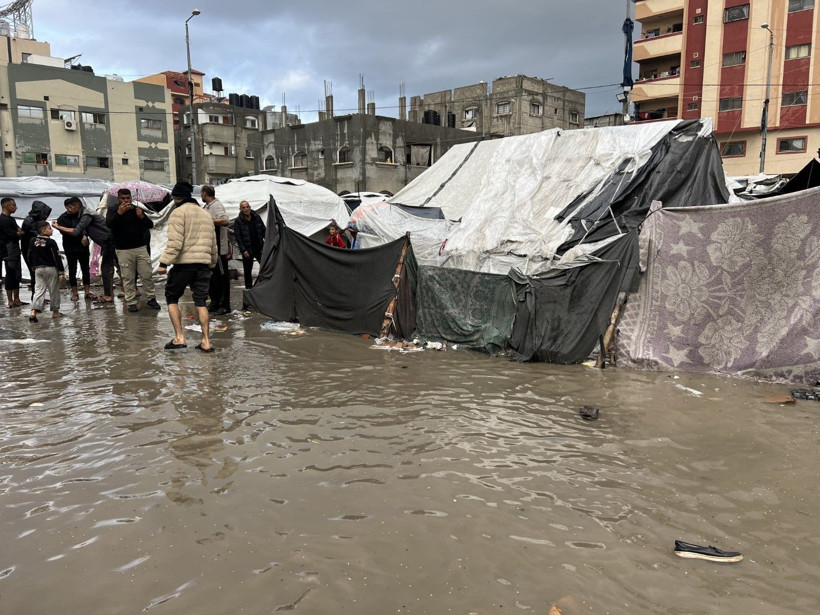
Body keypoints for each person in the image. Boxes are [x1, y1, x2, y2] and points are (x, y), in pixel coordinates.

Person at [158, 181, 218, 353]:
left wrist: (163, 263)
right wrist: (212, 264)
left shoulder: (178, 213)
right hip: (203, 265)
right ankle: (206, 342)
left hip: (183, 265)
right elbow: (213, 244)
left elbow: (175, 243)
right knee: (201, 301)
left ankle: (179, 338)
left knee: (172, 298)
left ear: (176, 198)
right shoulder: (205, 214)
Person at [105, 188, 161, 312]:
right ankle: (130, 301)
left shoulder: (136, 209)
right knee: (128, 277)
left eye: (128, 198)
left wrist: (142, 216)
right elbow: (109, 224)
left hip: (140, 247)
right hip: (123, 249)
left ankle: (151, 298)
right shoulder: (113, 210)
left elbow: (150, 225)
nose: (126, 201)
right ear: (118, 198)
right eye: (123, 198)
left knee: (147, 274)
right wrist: (119, 213)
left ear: (131, 198)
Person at [52, 197, 92, 301]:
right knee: (72, 269)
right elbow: (66, 231)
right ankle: (75, 293)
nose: (69, 209)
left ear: (77, 206)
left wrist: (84, 234)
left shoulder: (83, 215)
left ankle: (87, 292)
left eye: (71, 207)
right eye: (67, 207)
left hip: (82, 246)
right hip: (70, 246)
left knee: (85, 269)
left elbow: (87, 227)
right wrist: (77, 232)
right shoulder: (62, 218)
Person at [201, 184, 231, 315]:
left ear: (204, 193)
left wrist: (209, 220)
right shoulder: (206, 207)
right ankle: (215, 302)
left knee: (222, 277)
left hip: (219, 250)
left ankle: (225, 305)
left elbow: (225, 221)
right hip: (210, 249)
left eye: (202, 193)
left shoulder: (217, 206)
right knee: (212, 278)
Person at [27, 220, 64, 322]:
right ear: (43, 231)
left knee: (39, 290)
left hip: (38, 269)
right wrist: (61, 271)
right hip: (50, 269)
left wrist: (32, 266)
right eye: (49, 228)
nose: (51, 230)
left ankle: (33, 311)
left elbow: (29, 255)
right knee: (54, 290)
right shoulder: (51, 242)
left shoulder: (32, 240)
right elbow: (56, 257)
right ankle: (55, 312)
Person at [21, 200, 52, 295]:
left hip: (36, 250)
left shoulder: (37, 221)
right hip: (30, 251)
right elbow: (37, 234)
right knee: (34, 273)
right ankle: (36, 296)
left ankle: (38, 295)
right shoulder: (29, 221)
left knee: (39, 274)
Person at [0, 197, 26, 308]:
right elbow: (15, 235)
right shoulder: (2, 220)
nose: (16, 207)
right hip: (8, 251)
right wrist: (18, 233)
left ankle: (17, 299)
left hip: (15, 250)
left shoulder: (11, 219)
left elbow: (20, 231)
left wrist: (19, 233)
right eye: (14, 205)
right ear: (6, 206)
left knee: (17, 274)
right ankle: (10, 300)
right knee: (10, 274)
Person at [233, 200, 265, 290]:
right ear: (240, 209)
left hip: (259, 247)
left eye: (247, 207)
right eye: (243, 207)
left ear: (250, 207)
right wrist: (243, 250)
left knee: (265, 267)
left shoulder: (256, 217)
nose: (246, 209)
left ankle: (263, 286)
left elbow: (263, 230)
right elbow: (238, 237)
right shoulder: (238, 221)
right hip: (247, 249)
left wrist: (267, 243)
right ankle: (249, 289)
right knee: (247, 271)